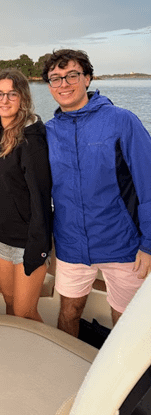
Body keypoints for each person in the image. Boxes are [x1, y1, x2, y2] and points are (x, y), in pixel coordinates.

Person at [42, 49, 151, 337]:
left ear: (87, 78)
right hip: (71, 244)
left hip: (124, 245)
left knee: (126, 322)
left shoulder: (122, 121)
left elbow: (148, 183)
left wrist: (149, 244)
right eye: (55, 79)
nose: (64, 84)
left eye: (72, 76)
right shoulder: (48, 132)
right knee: (69, 313)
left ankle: (124, 382)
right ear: (49, 86)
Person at [0, 69, 52, 321]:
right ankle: (20, 358)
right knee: (10, 304)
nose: (5, 100)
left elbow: (41, 198)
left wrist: (38, 247)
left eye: (12, 94)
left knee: (25, 311)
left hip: (27, 243)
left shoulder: (32, 140)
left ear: (23, 98)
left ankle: (44, 358)